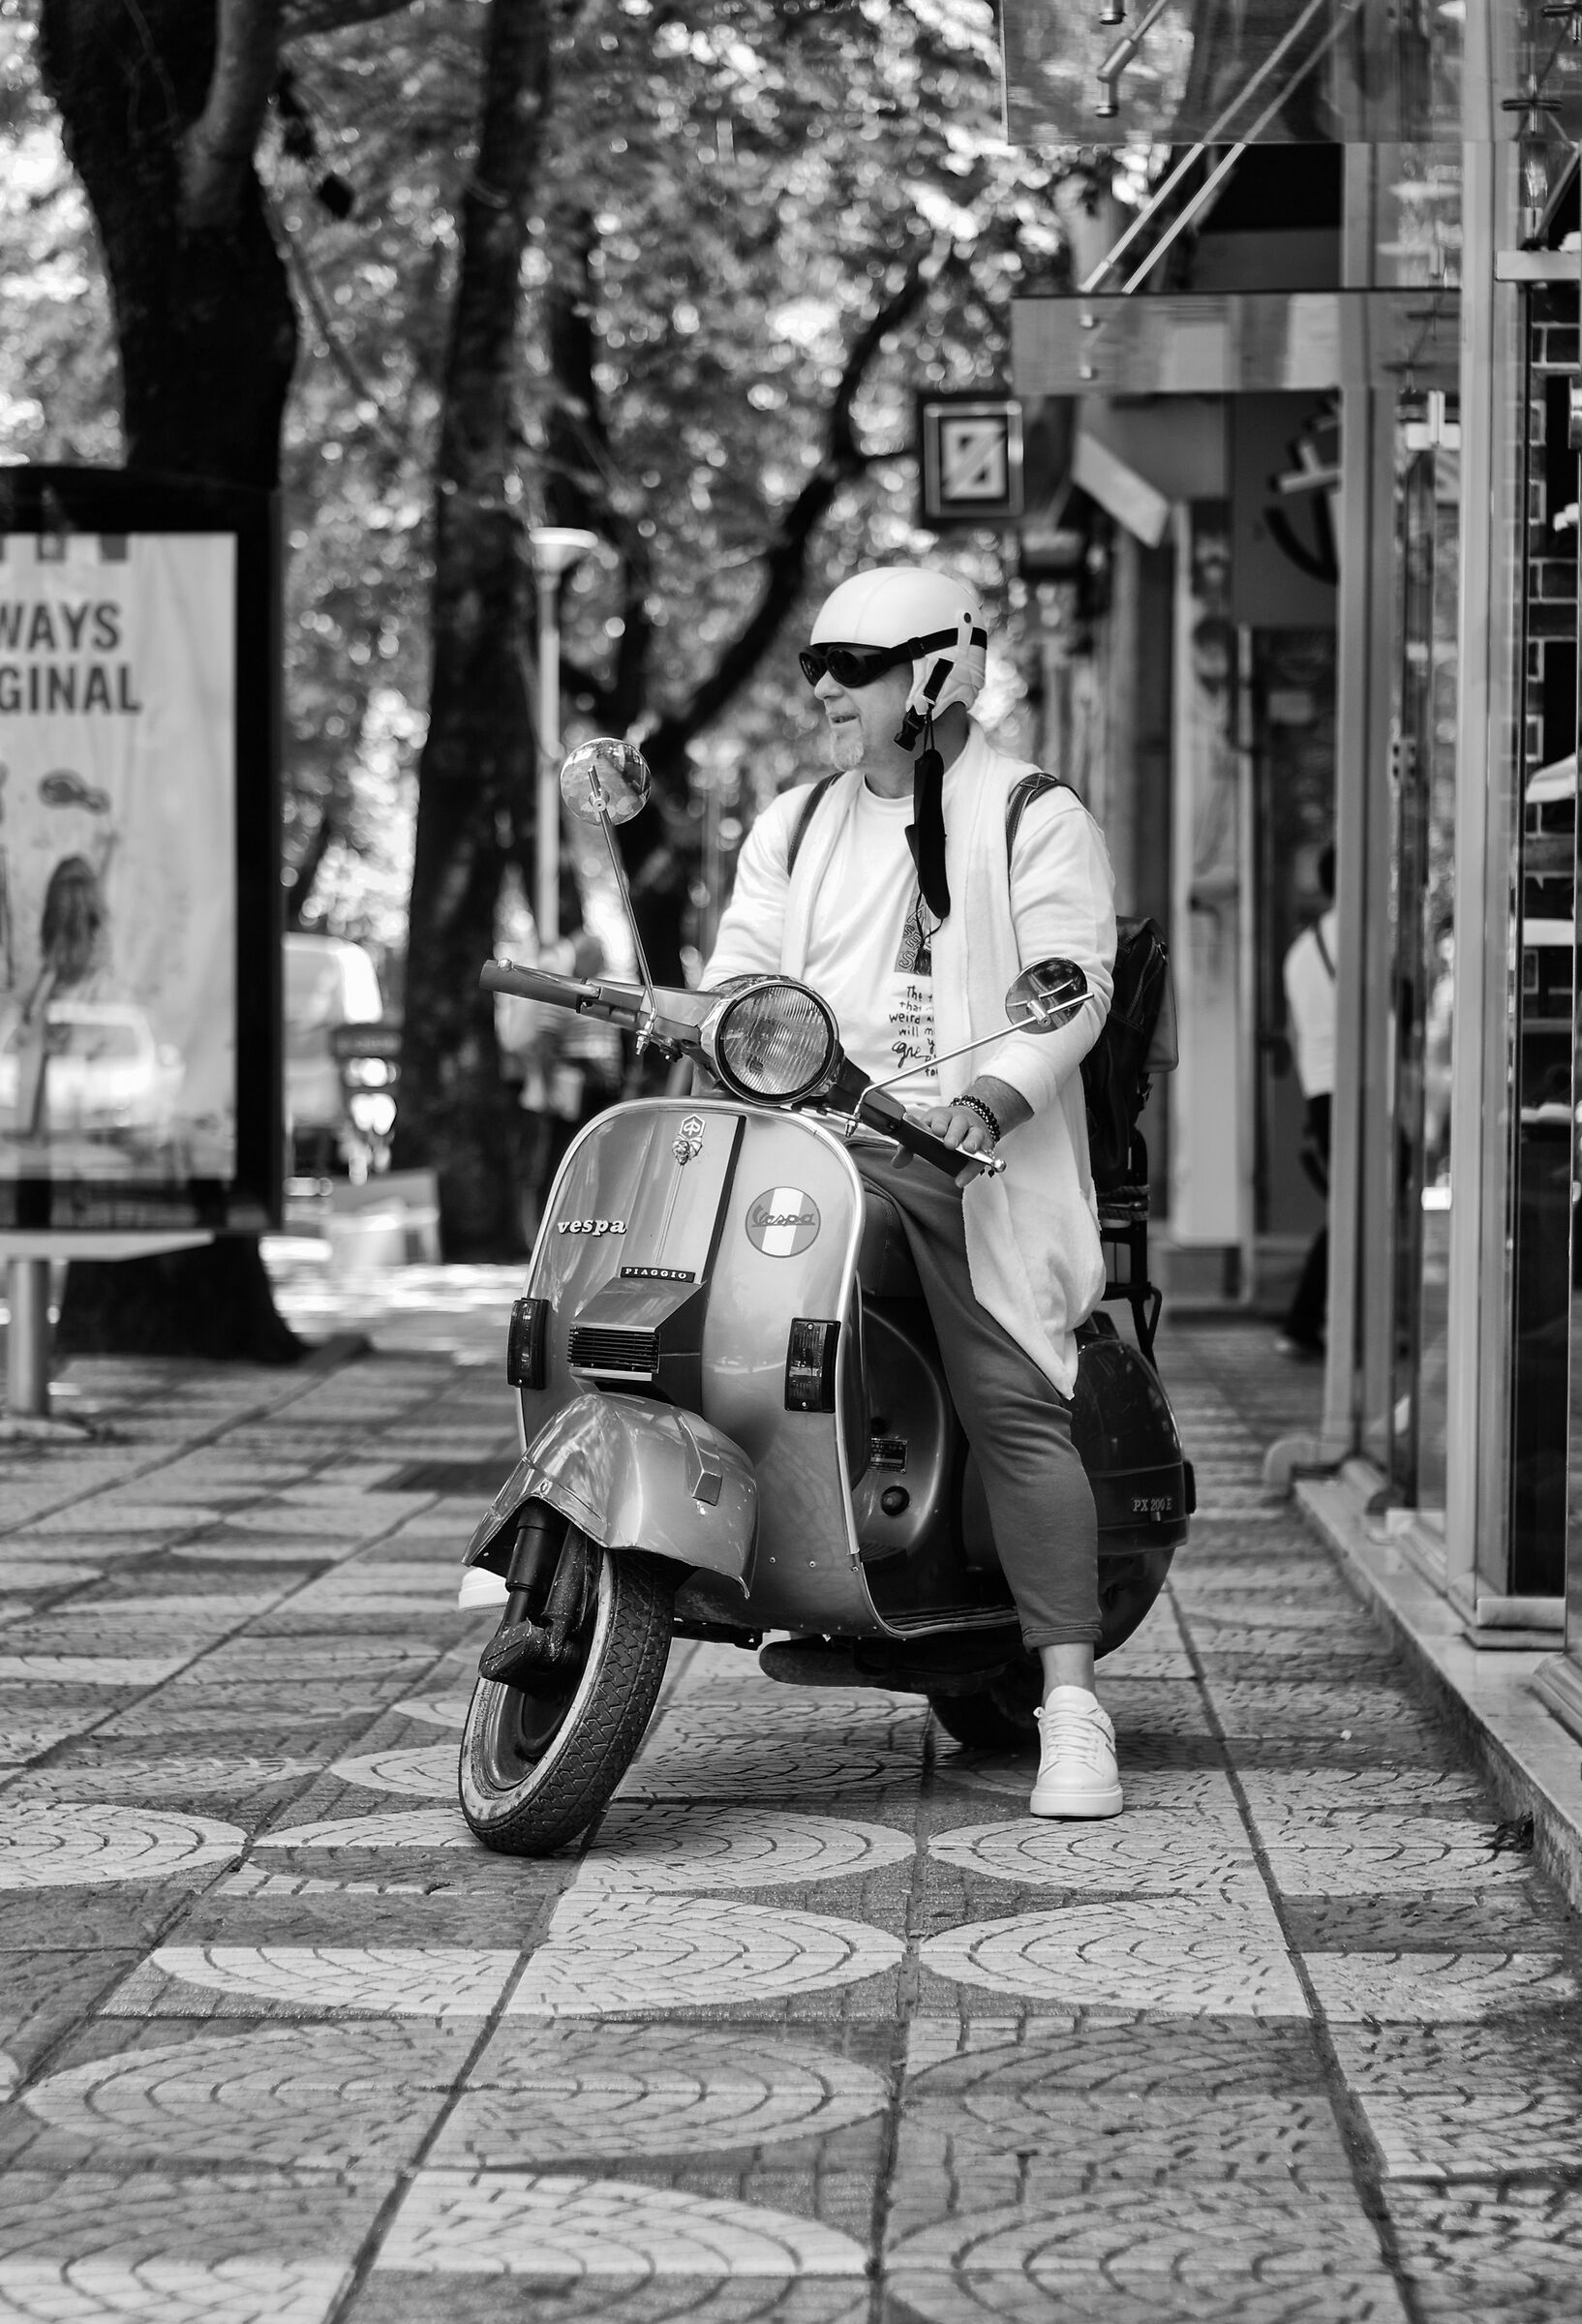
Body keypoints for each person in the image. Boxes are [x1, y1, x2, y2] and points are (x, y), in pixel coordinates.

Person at [704, 566, 1122, 1819]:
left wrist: (979, 1104)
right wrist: (700, 1017)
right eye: (813, 665)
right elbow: (738, 978)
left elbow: (1068, 985)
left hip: (957, 1159)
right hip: (792, 1143)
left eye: (853, 665)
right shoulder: (791, 823)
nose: (824, 687)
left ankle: (1067, 1704)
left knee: (1008, 1398)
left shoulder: (1031, 816)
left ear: (935, 676)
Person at [1278, 841, 1338, 1358]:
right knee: (1355, 1212)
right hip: (1363, 1097)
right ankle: (1304, 1320)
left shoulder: (1301, 952)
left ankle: (1314, 1320)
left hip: (1320, 1092)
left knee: (1349, 1209)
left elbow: (1296, 1034)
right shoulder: (1368, 940)